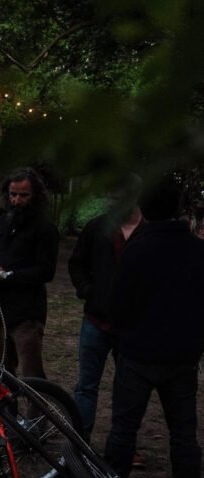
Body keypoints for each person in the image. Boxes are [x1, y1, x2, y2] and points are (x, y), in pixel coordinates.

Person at [104, 176, 204, 478]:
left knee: (123, 429)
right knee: (183, 433)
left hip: (138, 353)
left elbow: (117, 304)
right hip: (182, 356)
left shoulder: (138, 250)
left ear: (145, 209)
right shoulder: (197, 251)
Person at [68, 175, 144, 441]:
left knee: (128, 388)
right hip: (96, 321)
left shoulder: (148, 233)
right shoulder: (96, 228)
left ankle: (123, 444)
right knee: (86, 385)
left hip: (133, 325)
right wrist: (88, 290)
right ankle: (80, 441)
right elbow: (76, 263)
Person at [0, 167, 59, 378]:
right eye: (13, 194)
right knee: (1, 371)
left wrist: (6, 273)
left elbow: (46, 271)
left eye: (24, 195)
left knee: (31, 375)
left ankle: (37, 412)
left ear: (36, 196)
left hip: (26, 313)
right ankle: (6, 412)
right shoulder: (5, 220)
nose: (17, 200)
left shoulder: (45, 228)